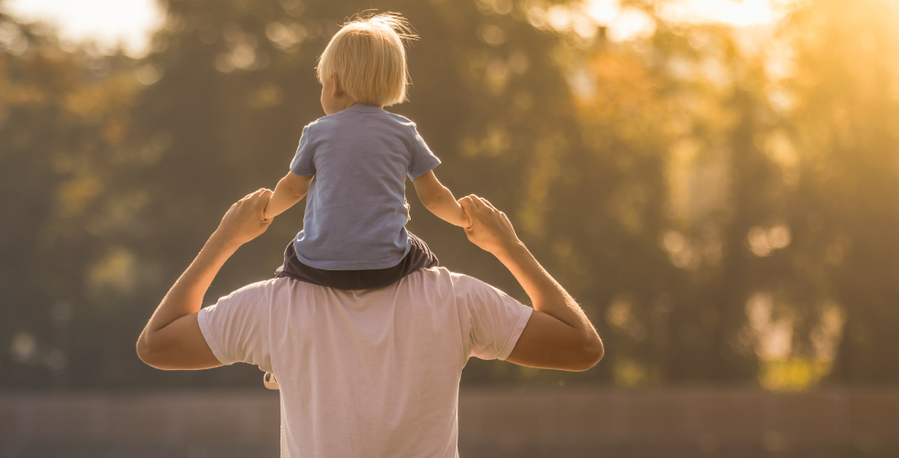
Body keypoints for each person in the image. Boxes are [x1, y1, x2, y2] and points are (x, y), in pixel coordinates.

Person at [135, 189, 604, 457]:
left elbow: (156, 345)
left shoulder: (273, 306)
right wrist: (508, 247)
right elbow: (581, 347)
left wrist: (224, 239)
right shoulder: (455, 297)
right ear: (402, 214)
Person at [263, 12, 467, 291]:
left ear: (334, 84)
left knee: (291, 255)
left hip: (319, 267)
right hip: (387, 267)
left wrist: (265, 210)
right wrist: (463, 217)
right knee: (423, 253)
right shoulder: (405, 131)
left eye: (322, 84)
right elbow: (434, 197)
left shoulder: (317, 132)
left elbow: (293, 190)